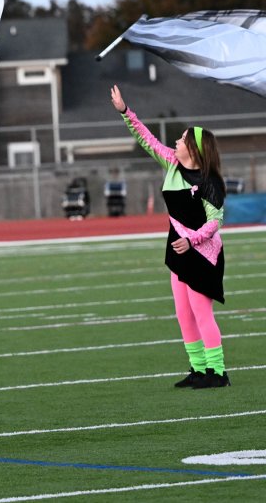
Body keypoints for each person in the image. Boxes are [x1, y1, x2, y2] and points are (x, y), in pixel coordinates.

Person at [110, 85, 230, 389]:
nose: (175, 142)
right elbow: (146, 138)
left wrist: (192, 241)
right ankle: (198, 368)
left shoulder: (210, 182)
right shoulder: (172, 164)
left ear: (193, 149)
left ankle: (217, 372)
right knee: (183, 313)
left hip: (203, 254)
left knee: (202, 312)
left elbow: (215, 222)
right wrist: (126, 112)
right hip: (178, 250)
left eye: (181, 139)